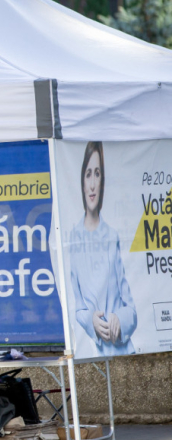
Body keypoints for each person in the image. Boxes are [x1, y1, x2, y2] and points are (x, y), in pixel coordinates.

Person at [69, 141, 137, 356]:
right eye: (88, 174)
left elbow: (131, 309)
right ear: (81, 181)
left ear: (102, 181)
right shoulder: (72, 239)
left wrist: (119, 317)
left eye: (97, 174)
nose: (92, 184)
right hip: (91, 350)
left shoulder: (112, 236)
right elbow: (76, 305)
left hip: (122, 351)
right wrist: (91, 322)